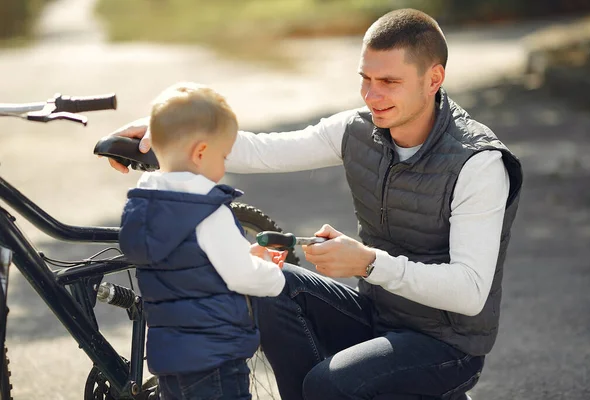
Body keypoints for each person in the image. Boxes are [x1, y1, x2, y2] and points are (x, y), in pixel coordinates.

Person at [108, 8, 523, 400]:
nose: (371, 95)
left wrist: (368, 263)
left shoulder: (478, 162)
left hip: (447, 345)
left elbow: (470, 293)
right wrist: (173, 135)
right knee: (272, 286)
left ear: (433, 79)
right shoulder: (356, 129)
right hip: (379, 316)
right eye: (365, 78)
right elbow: (264, 150)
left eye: (389, 82)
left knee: (327, 385)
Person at [118, 82, 287, 400]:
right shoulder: (206, 211)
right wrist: (269, 270)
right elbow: (242, 275)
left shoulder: (147, 208)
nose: (225, 166)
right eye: (223, 156)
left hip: (170, 361)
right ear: (200, 153)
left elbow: (192, 262)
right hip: (215, 358)